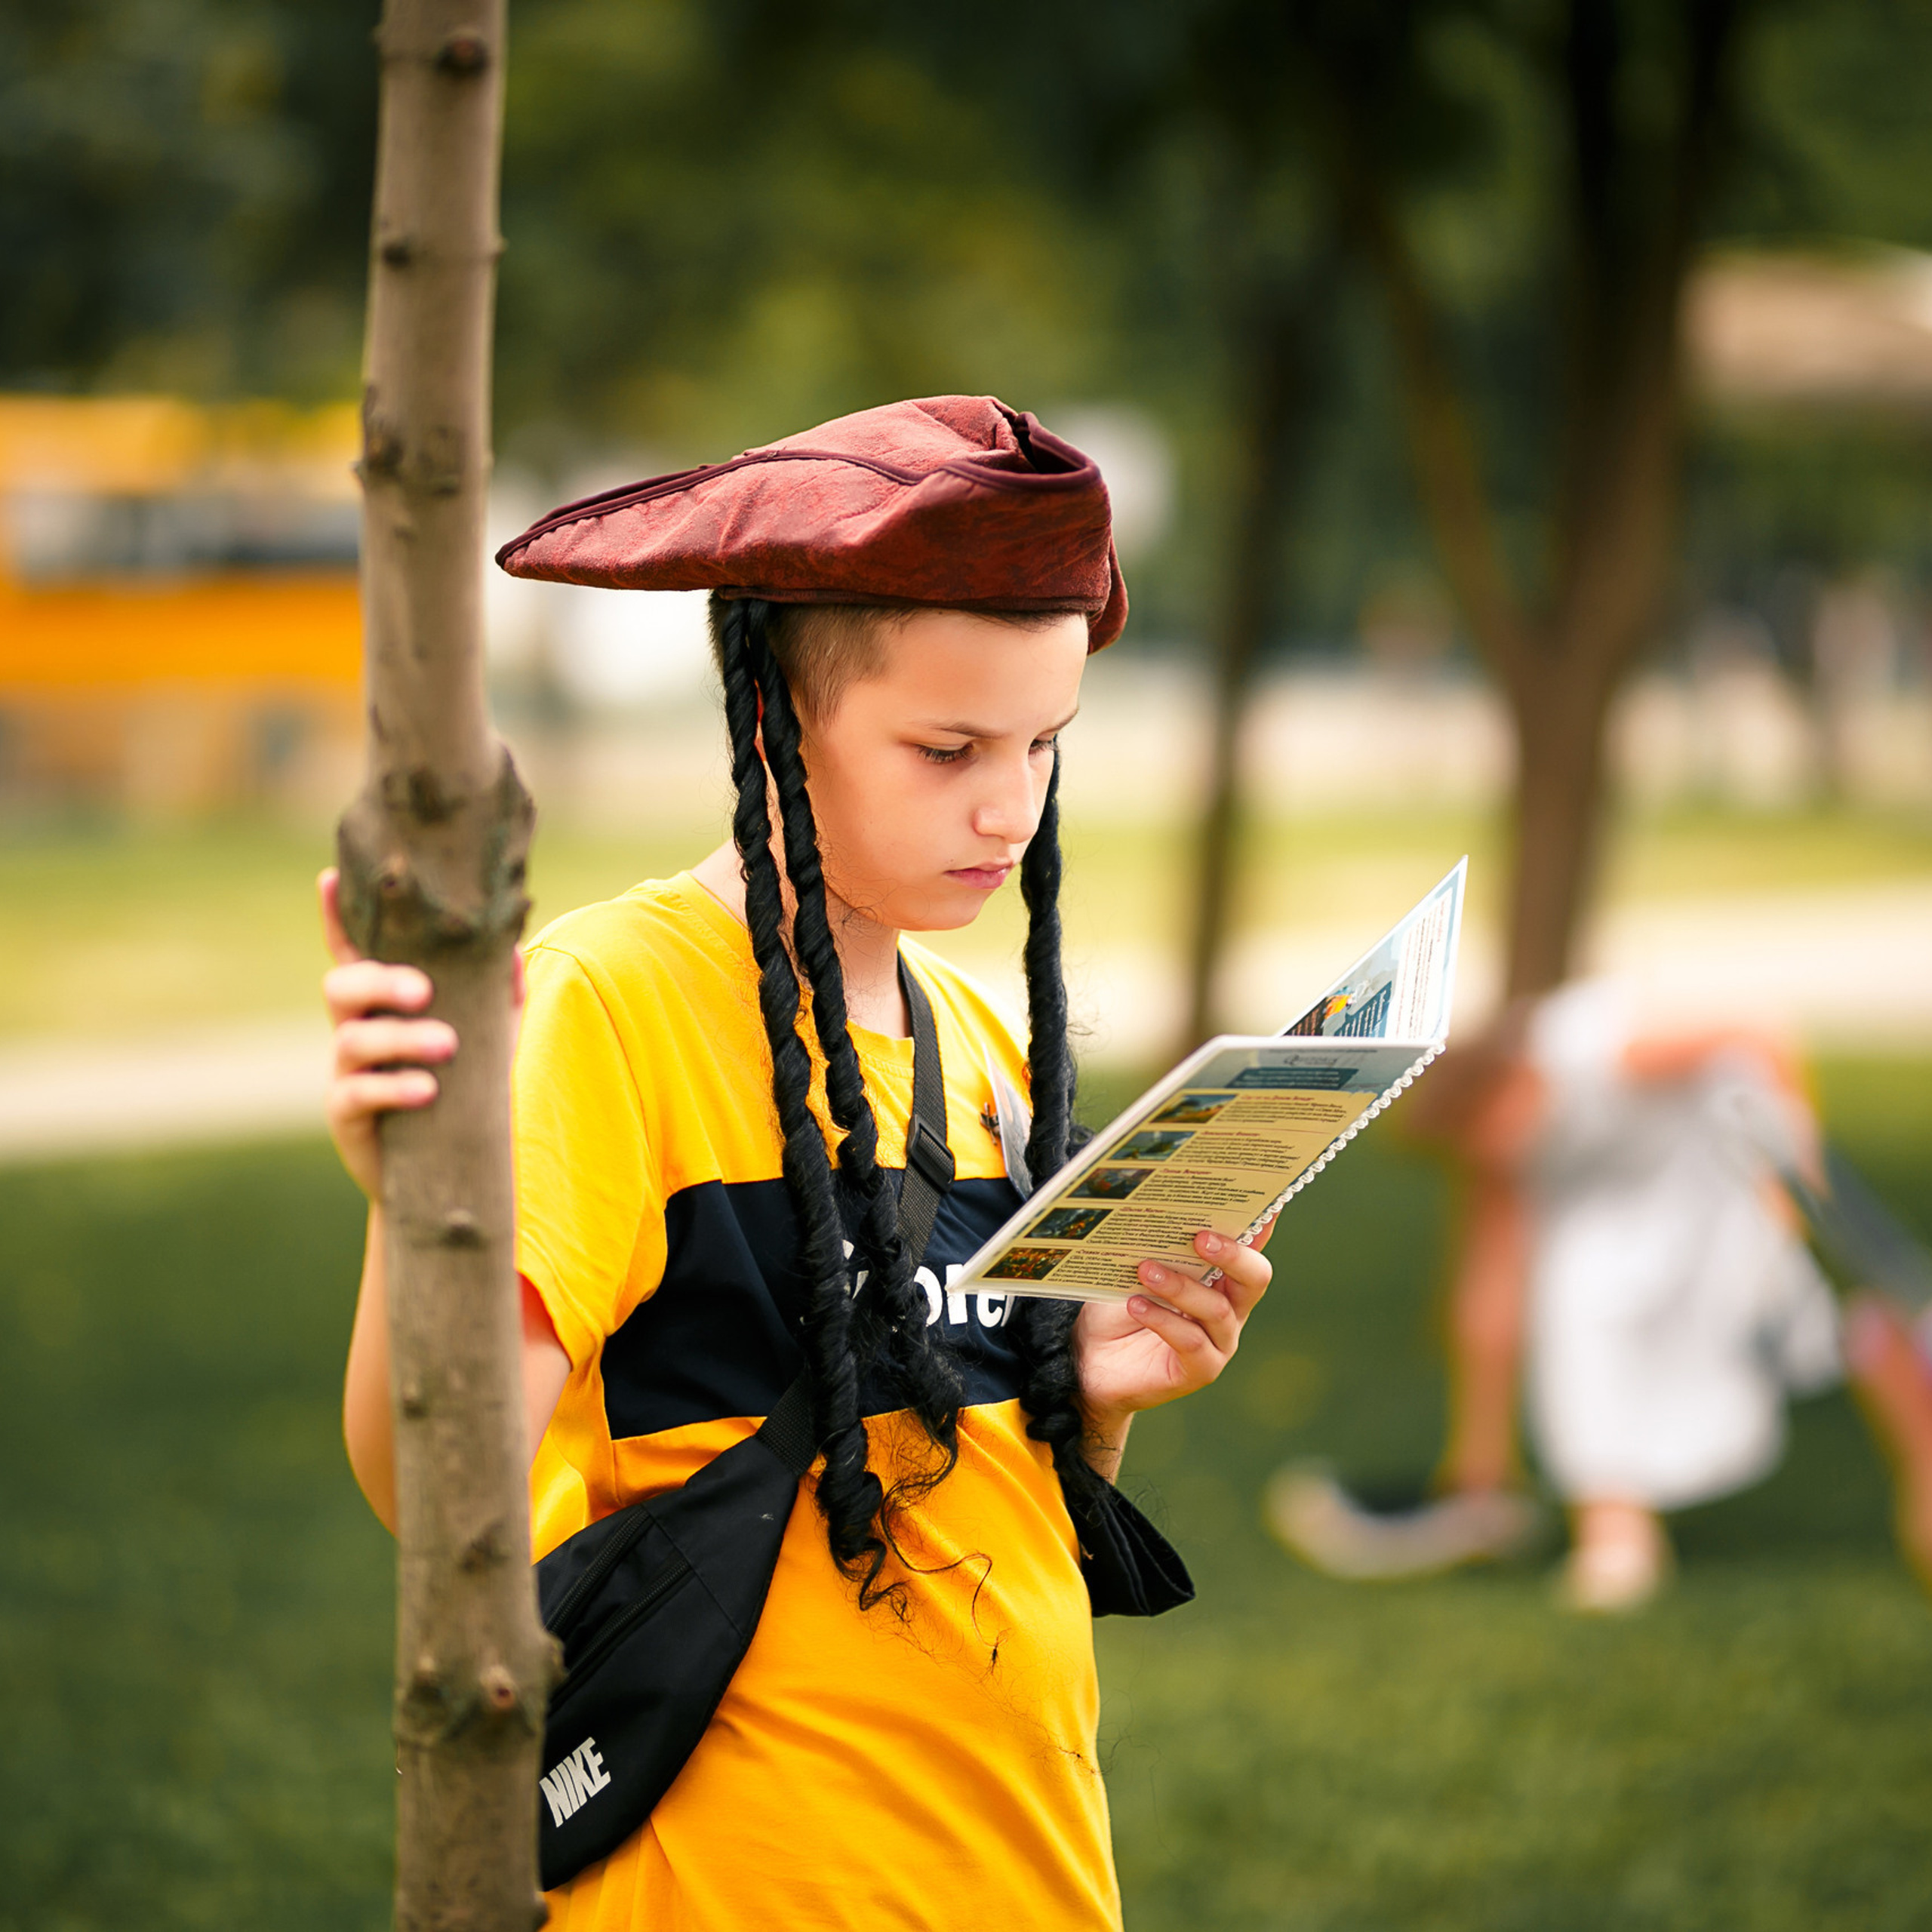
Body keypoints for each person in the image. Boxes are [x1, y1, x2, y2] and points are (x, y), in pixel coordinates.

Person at [320, 397, 1273, 1929]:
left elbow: (994, 1503)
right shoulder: (614, 999)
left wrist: (1091, 1393)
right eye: (946, 744)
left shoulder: (991, 1046)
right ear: (773, 718)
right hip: (736, 1882)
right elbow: (438, 1491)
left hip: (1024, 1877)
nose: (1007, 804)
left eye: (1043, 743)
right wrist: (407, 1210)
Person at [1270, 981, 1844, 1611]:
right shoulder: (1505, 1151)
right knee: (1579, 1301)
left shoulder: (1600, 1049)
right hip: (1613, 1198)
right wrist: (1480, 1459)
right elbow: (1491, 1299)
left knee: (1775, 1315)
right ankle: (1616, 1532)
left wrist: (1794, 1176)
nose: (1488, 1159)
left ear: (1508, 1087)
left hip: (1710, 1165)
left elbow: (1760, 1028)